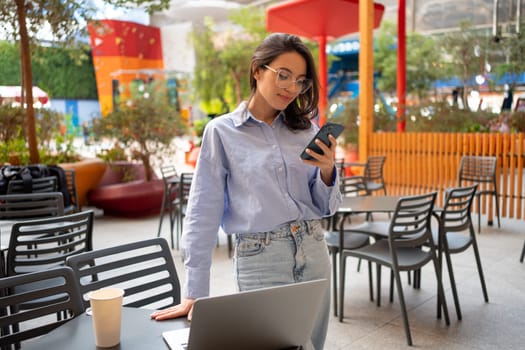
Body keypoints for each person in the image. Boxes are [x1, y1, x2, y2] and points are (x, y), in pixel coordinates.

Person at [151, 33, 342, 349]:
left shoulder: (305, 130)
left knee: (313, 346)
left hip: (314, 248)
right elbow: (202, 211)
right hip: (261, 256)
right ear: (257, 70)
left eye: (300, 81)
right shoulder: (221, 132)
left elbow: (326, 208)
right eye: (283, 75)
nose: (291, 88)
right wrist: (195, 291)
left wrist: (326, 170)